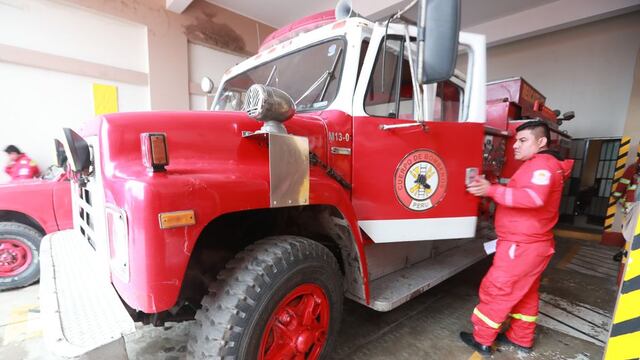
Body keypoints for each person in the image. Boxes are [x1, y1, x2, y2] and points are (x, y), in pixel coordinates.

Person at [459, 120, 573, 356]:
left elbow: (533, 198)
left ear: (541, 142)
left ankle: (482, 339)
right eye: (515, 141)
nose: (515, 146)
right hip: (531, 245)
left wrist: (489, 190)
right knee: (525, 294)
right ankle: (521, 338)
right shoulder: (542, 164)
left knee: (497, 290)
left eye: (523, 140)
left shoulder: (542, 165)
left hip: (521, 246)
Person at [612, 157, 640, 242]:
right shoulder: (632, 169)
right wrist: (618, 196)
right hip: (632, 203)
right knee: (630, 227)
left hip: (633, 203)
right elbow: (623, 183)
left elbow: (622, 184)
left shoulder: (633, 169)